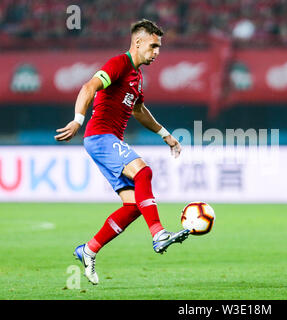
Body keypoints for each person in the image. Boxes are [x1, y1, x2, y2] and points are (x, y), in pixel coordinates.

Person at [55, 19, 190, 285]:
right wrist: (78, 120)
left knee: (133, 206)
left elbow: (139, 110)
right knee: (144, 171)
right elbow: (88, 87)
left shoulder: (137, 77)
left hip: (107, 140)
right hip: (99, 136)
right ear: (138, 42)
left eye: (159, 47)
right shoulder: (119, 64)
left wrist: (166, 135)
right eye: (153, 46)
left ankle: (89, 249)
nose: (157, 52)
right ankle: (158, 234)